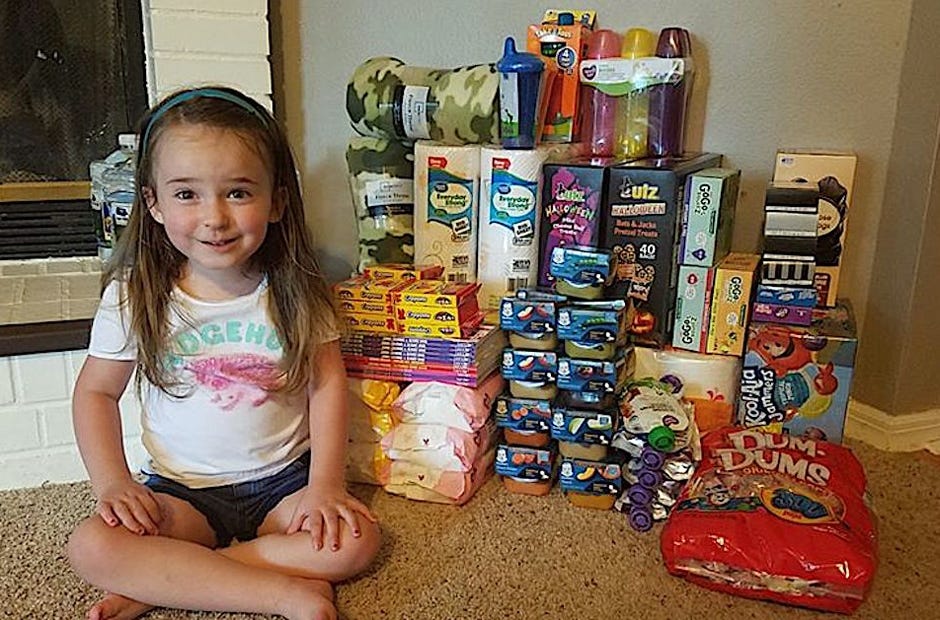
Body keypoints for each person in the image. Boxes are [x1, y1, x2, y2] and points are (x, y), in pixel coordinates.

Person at [66, 86, 381, 620]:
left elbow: (325, 384)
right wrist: (114, 482)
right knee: (91, 546)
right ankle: (278, 592)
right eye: (186, 194)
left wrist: (326, 485)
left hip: (284, 484)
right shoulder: (134, 293)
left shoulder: (298, 286)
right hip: (181, 493)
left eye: (238, 192)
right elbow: (95, 392)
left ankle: (175, 580)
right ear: (154, 204)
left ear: (277, 201)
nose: (214, 217)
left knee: (356, 539)